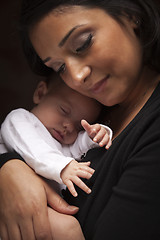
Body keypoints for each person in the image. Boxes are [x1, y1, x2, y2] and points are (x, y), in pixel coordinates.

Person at [0, 0, 160, 239]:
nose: (76, 77)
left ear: (129, 14)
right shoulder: (92, 104)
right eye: (60, 67)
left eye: (83, 44)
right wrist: (9, 169)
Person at [1, 72, 112, 198]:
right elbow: (33, 146)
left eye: (79, 127)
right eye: (64, 111)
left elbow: (78, 149)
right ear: (40, 94)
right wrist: (62, 166)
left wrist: (94, 136)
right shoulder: (19, 119)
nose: (69, 127)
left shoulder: (62, 145)